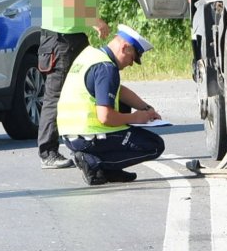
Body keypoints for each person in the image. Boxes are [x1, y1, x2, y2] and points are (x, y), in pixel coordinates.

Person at [36, 0, 109, 169]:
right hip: (60, 37)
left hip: (72, 34)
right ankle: (47, 152)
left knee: (84, 86)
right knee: (56, 95)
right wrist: (95, 21)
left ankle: (85, 140)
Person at [57, 24, 165, 186]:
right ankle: (94, 162)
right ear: (125, 47)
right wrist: (136, 117)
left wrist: (145, 108)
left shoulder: (90, 55)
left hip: (70, 134)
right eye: (133, 58)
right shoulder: (107, 68)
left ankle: (109, 170)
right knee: (154, 145)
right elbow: (105, 117)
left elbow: (118, 91)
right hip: (89, 135)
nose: (130, 64)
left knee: (125, 116)